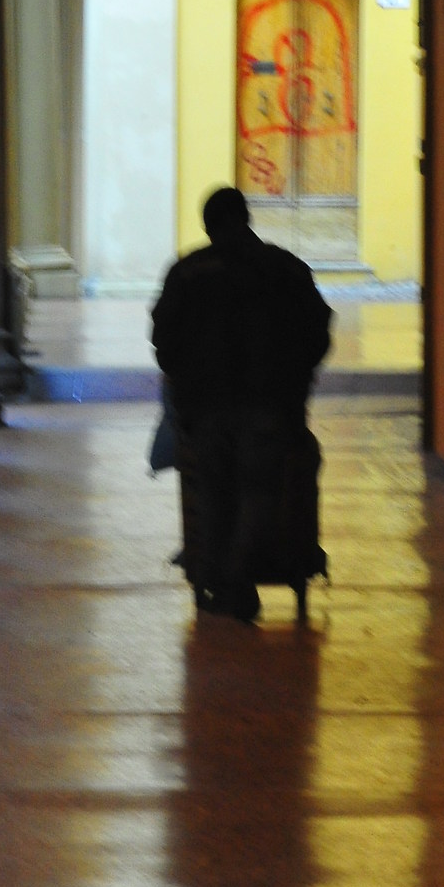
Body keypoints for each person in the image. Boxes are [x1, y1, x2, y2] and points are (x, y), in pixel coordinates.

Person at [151, 186, 332, 623]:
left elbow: (164, 340)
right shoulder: (283, 268)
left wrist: (185, 390)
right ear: (246, 218)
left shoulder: (187, 272)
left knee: (213, 492)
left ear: (208, 226)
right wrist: (295, 383)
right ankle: (238, 577)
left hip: (206, 410)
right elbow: (317, 330)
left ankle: (223, 579)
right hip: (269, 407)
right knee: (259, 492)